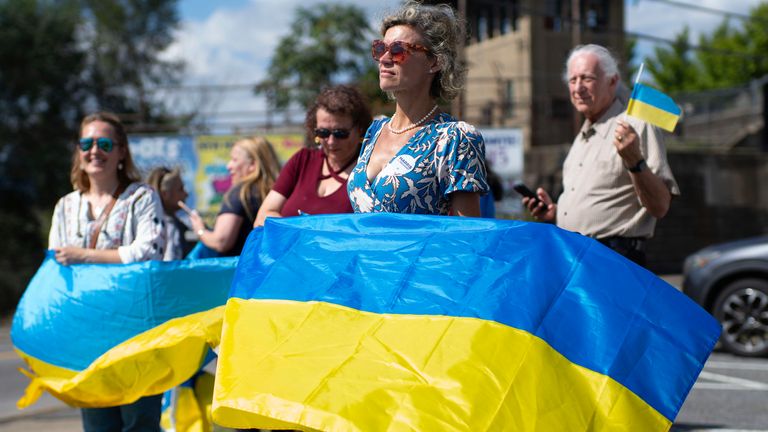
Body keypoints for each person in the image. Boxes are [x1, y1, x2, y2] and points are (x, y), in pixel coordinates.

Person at [48, 112, 166, 431]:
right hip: (88, 333)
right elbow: (55, 265)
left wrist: (84, 255)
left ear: (121, 151)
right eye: (86, 143)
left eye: (104, 143)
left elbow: (149, 252)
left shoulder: (142, 197)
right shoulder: (66, 206)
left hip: (137, 330)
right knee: (98, 424)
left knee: (140, 423)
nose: (94, 151)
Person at [523, 44, 679, 266]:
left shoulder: (636, 126)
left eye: (587, 78)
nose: (578, 88)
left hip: (614, 260)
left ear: (612, 81)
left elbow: (660, 206)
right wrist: (555, 214)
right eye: (572, 80)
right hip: (574, 257)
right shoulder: (582, 137)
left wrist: (635, 161)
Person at [347, 1, 489, 215]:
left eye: (397, 50)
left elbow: (467, 234)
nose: (384, 59)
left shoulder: (456, 138)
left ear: (435, 62)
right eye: (380, 48)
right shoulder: (374, 130)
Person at [254, 85, 372, 226]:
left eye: (340, 133)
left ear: (360, 130)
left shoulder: (369, 169)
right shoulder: (302, 159)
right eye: (323, 133)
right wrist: (301, 234)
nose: (331, 141)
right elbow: (264, 215)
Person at [189, 136, 280, 256]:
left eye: (234, 160)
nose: (228, 166)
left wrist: (200, 230)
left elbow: (221, 241)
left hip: (237, 270)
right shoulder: (277, 194)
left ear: (252, 164)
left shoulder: (240, 193)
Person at [147, 166, 193, 260]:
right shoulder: (167, 226)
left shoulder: (176, 224)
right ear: (165, 194)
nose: (186, 194)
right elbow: (169, 262)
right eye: (180, 189)